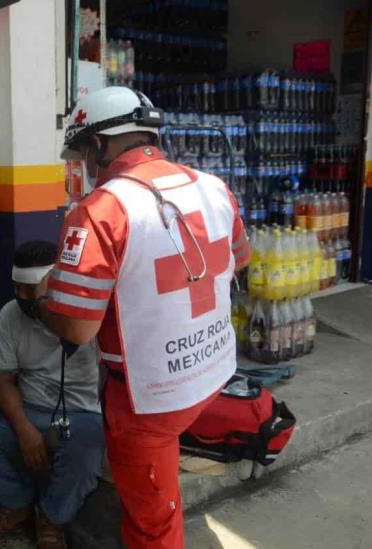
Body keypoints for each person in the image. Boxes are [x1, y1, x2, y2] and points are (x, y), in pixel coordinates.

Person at [33, 87, 251, 549]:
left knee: (152, 525)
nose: (85, 168)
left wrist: (46, 302)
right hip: (211, 371)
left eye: (83, 156)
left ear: (97, 145)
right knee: (157, 481)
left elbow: (77, 328)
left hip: (149, 399)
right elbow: (239, 260)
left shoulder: (99, 211)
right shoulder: (215, 188)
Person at [0, 241, 104, 549]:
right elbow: (2, 379)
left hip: (79, 412)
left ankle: (51, 516)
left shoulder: (89, 314)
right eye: (17, 288)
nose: (21, 297)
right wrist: (24, 429)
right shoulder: (12, 314)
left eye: (29, 289)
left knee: (86, 456)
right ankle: (17, 502)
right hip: (28, 406)